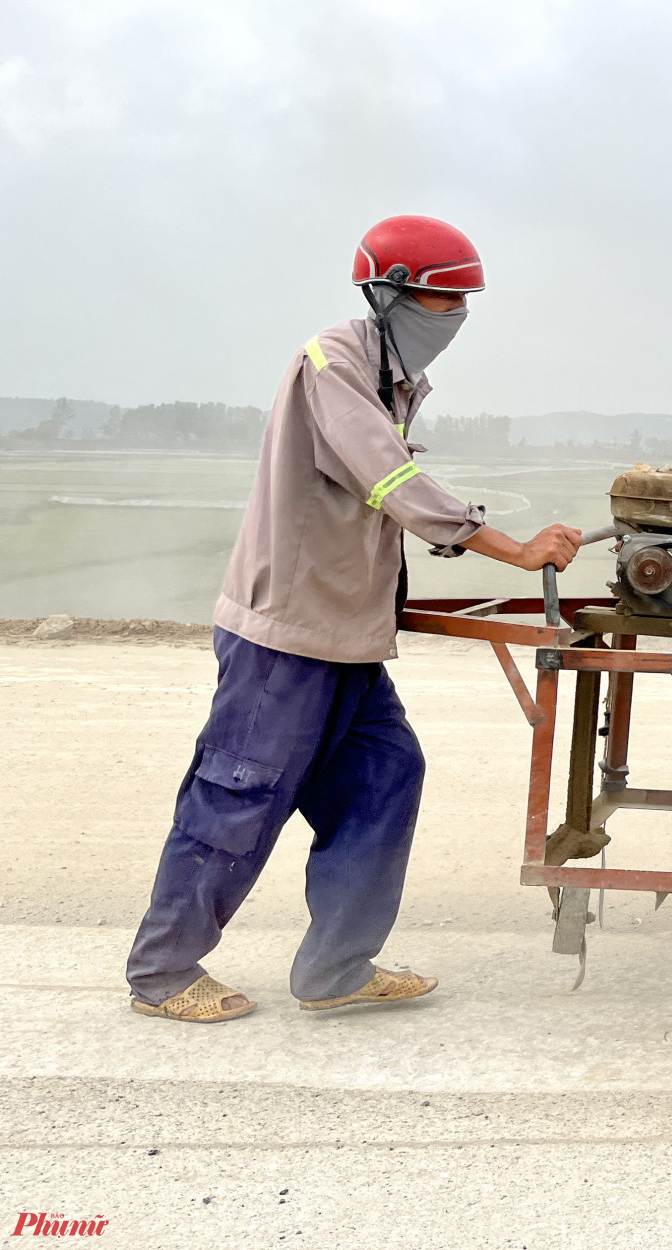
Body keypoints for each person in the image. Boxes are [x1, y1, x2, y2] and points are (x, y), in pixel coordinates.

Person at [125, 215, 582, 1023]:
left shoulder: (389, 377)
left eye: (462, 303)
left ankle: (336, 965)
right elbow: (387, 479)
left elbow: (375, 498)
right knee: (239, 796)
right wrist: (512, 548)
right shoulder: (332, 362)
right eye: (440, 301)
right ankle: (162, 970)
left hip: (348, 634)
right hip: (287, 632)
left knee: (386, 775)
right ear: (387, 294)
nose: (454, 319)